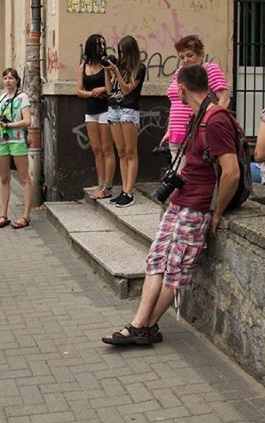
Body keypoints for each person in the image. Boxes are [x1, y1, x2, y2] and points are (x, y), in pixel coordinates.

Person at [102, 64, 239, 346]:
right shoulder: (197, 115)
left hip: (198, 206)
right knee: (156, 259)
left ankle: (145, 326)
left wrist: (217, 213)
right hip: (181, 199)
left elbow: (232, 171)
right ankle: (140, 324)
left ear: (182, 88)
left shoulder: (216, 120)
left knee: (176, 268)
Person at [161, 35, 231, 171]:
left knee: (189, 177)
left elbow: (224, 98)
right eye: (182, 57)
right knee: (177, 176)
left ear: (201, 55)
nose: (185, 60)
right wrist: (169, 130)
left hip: (196, 133)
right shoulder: (179, 73)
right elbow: (175, 104)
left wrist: (210, 124)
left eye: (189, 55)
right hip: (177, 133)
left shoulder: (210, 69)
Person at [104, 35, 146, 208]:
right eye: (119, 52)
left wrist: (118, 72)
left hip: (129, 109)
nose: (121, 56)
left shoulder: (139, 68)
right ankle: (123, 189)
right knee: (121, 151)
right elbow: (109, 90)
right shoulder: (119, 68)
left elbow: (127, 89)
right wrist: (108, 72)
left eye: (124, 52)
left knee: (130, 152)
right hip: (114, 109)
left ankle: (129, 191)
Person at [0, 67, 33, 229]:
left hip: (17, 139)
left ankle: (26, 215)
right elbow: (0, 123)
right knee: (4, 178)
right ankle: (3, 215)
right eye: (5, 78)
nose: (8, 81)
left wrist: (8, 124)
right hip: (2, 139)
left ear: (17, 81)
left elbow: (27, 121)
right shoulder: (2, 97)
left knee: (24, 178)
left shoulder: (22, 97)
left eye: (11, 78)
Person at [75, 34, 115, 200]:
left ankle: (107, 186)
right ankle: (100, 184)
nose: (102, 48)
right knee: (96, 149)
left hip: (106, 109)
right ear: (91, 46)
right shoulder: (82, 67)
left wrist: (103, 89)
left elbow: (111, 87)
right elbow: (79, 91)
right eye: (99, 45)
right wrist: (93, 93)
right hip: (90, 111)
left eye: (104, 44)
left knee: (107, 149)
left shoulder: (107, 64)